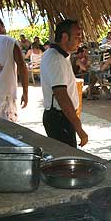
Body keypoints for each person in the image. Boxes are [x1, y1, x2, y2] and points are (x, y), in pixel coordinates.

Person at [40, 19, 88, 148]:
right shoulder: (55, 58)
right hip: (59, 118)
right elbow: (62, 96)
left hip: (61, 117)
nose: (80, 40)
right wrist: (80, 129)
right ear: (65, 37)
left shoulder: (60, 56)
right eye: (77, 36)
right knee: (65, 160)